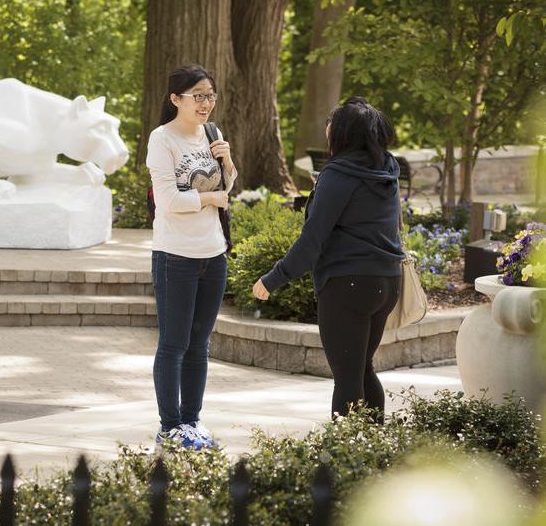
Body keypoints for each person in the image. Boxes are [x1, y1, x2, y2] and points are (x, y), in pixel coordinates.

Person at [252, 96, 404, 420]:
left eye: (331, 125)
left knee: (348, 379)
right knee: (362, 369)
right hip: (386, 281)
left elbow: (312, 240)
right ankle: (376, 452)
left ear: (344, 133)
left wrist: (272, 279)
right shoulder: (386, 168)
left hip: (348, 284)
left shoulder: (338, 175)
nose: (327, 130)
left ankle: (344, 460)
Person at [146, 64, 237, 449]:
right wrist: (210, 199)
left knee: (200, 343)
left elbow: (227, 185)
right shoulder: (162, 139)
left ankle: (191, 422)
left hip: (213, 253)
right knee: (174, 343)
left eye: (210, 96)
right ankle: (170, 426)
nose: (206, 103)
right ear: (175, 99)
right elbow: (168, 200)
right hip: (175, 256)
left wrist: (228, 162)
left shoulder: (212, 134)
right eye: (197, 95)